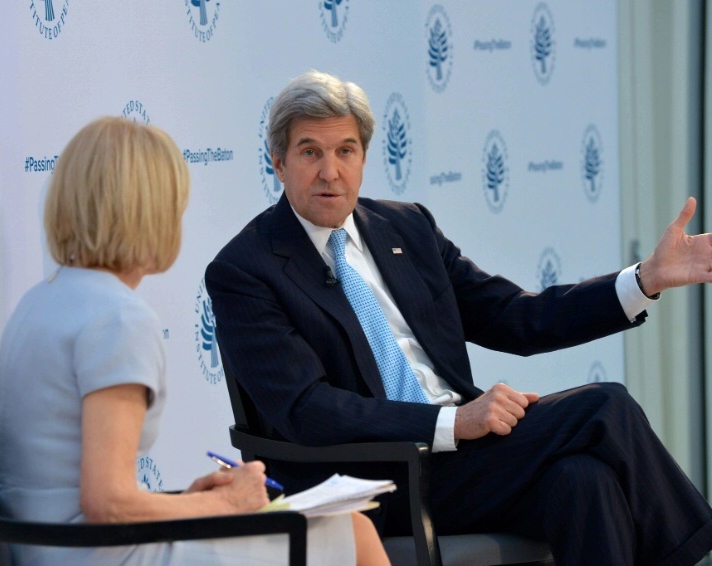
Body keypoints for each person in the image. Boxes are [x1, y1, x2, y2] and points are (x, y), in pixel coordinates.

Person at [205, 70, 712, 564]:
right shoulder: (246, 269)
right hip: (374, 480)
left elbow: (516, 317)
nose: (330, 171)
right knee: (607, 406)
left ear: (363, 157)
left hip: (463, 462)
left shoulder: (406, 227)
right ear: (278, 162)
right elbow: (308, 409)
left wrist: (646, 279)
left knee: (583, 481)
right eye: (310, 152)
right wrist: (451, 421)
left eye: (345, 151)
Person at [0, 116, 390, 565]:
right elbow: (107, 504)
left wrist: (190, 503)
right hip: (104, 556)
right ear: (151, 210)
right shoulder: (117, 317)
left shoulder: (40, 301)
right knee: (354, 532)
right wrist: (221, 504)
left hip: (55, 552)